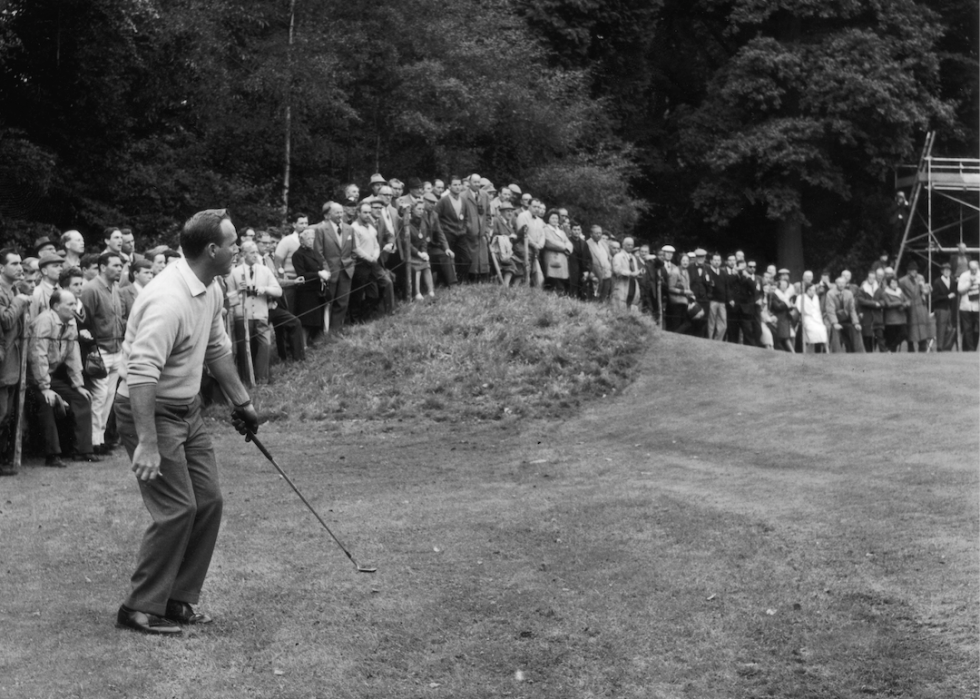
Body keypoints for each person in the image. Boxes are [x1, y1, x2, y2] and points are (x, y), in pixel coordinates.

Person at [114, 208, 258, 636]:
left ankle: (177, 599)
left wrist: (242, 400)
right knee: (177, 508)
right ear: (213, 249)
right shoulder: (168, 298)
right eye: (233, 243)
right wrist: (147, 442)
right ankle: (138, 607)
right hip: (149, 411)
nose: (239, 249)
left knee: (208, 501)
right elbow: (140, 373)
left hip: (186, 410)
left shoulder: (211, 286)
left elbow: (216, 348)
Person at [28, 289, 96, 466]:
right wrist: (44, 387)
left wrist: (78, 384)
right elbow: (37, 356)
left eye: (75, 303)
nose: (74, 308)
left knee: (82, 398)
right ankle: (52, 454)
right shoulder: (45, 321)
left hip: (50, 376)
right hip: (34, 378)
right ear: (57, 306)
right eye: (70, 304)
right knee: (47, 401)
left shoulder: (71, 322)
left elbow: (73, 357)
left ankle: (83, 450)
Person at [80, 251, 126, 454]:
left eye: (120, 265)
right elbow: (84, 322)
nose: (119, 269)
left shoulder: (115, 288)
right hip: (101, 351)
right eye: (115, 265)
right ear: (102, 267)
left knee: (108, 397)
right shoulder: (90, 289)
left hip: (117, 349)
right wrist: (93, 350)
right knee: (98, 396)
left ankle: (99, 439)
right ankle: (92, 441)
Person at [228, 240, 283, 381]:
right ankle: (247, 379)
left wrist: (264, 289)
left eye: (256, 252)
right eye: (252, 253)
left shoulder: (264, 270)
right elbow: (228, 298)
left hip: (261, 314)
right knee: (244, 348)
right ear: (244, 254)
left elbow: (278, 291)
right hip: (242, 315)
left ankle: (262, 378)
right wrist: (239, 291)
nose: (255, 255)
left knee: (265, 344)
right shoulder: (234, 273)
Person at [0, 249, 31, 475]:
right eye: (14, 263)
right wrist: (19, 302)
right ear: (1, 268)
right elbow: (6, 320)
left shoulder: (16, 289)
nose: (20, 267)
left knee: (7, 412)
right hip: (3, 361)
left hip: (13, 361)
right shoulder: (4, 292)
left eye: (21, 263)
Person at [313, 202, 356, 336]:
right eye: (336, 212)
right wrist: (326, 270)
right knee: (328, 303)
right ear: (329, 214)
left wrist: (351, 265)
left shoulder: (349, 229)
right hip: (330, 272)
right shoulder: (321, 229)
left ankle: (335, 331)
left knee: (342, 302)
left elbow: (353, 251)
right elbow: (318, 253)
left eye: (341, 212)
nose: (340, 215)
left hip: (346, 271)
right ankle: (323, 332)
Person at [350, 201, 394, 321]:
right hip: (361, 264)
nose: (367, 215)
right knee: (358, 294)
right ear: (358, 213)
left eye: (369, 212)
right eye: (365, 212)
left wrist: (375, 255)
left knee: (374, 294)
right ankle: (355, 320)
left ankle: (365, 317)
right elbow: (356, 248)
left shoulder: (370, 227)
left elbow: (376, 245)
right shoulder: (354, 227)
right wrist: (369, 258)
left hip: (373, 263)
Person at [434, 176, 470, 283]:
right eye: (455, 185)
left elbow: (466, 217)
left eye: (459, 185)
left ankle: (461, 280)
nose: (457, 187)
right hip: (448, 234)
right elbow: (435, 217)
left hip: (461, 234)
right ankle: (444, 282)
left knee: (467, 259)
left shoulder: (463, 200)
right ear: (449, 187)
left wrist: (464, 228)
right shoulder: (443, 201)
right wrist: (443, 228)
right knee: (447, 259)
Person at [898, 261, 931, 352]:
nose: (914, 272)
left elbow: (925, 292)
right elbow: (900, 293)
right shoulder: (902, 281)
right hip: (911, 307)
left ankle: (923, 347)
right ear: (908, 271)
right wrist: (905, 302)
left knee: (922, 328)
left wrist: (924, 288)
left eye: (915, 270)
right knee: (911, 329)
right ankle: (911, 348)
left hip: (920, 306)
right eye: (912, 270)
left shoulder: (921, 278)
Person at [406, 201, 436, 298]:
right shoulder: (407, 223)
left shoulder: (423, 222)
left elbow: (424, 240)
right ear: (412, 210)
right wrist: (418, 253)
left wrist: (424, 252)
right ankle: (417, 293)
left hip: (420, 252)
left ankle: (430, 291)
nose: (421, 211)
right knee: (417, 267)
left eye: (422, 209)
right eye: (418, 209)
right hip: (410, 253)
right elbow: (407, 244)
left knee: (426, 264)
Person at [823, 276, 862, 353]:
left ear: (846, 284)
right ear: (836, 283)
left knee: (856, 328)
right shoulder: (830, 293)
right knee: (835, 329)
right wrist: (835, 323)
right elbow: (830, 310)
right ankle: (836, 352)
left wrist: (856, 322)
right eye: (839, 283)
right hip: (831, 319)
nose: (841, 285)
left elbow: (852, 310)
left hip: (845, 318)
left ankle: (859, 352)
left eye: (843, 283)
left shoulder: (849, 293)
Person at [542, 210, 572, 294]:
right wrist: (564, 247)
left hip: (562, 258)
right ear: (548, 219)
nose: (555, 220)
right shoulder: (546, 229)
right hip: (552, 257)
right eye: (553, 218)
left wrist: (568, 249)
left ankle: (560, 295)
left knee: (561, 280)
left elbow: (569, 243)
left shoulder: (561, 231)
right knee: (552, 278)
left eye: (556, 218)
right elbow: (550, 242)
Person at [30, 251, 65, 319]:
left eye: (61, 266)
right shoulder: (36, 294)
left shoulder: (64, 292)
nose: (60, 269)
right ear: (44, 271)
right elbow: (32, 322)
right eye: (55, 266)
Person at [119, 259, 154, 325]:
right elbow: (121, 318)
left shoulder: (154, 292)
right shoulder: (124, 292)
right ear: (136, 274)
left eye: (151, 273)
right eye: (146, 273)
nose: (150, 276)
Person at [611, 237, 642, 313]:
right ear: (623, 245)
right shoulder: (618, 256)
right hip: (622, 285)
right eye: (628, 245)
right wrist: (630, 274)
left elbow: (635, 272)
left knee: (631, 306)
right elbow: (617, 270)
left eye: (632, 245)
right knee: (619, 308)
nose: (630, 247)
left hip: (632, 286)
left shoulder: (633, 258)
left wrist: (638, 273)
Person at [931, 262, 957, 351]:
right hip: (940, 308)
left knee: (950, 329)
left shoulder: (952, 281)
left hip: (950, 308)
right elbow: (934, 297)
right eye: (945, 270)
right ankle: (939, 347)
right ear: (942, 271)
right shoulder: (937, 282)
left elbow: (954, 294)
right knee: (941, 329)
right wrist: (947, 297)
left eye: (948, 270)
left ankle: (946, 346)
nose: (947, 272)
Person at [856, 269, 883, 352]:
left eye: (873, 278)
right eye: (870, 278)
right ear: (867, 278)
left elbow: (883, 300)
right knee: (867, 336)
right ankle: (868, 353)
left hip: (876, 316)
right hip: (866, 315)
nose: (871, 280)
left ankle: (883, 353)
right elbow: (861, 300)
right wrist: (874, 304)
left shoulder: (878, 289)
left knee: (879, 335)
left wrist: (880, 304)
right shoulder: (862, 289)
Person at [666, 253, 694, 332]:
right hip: (676, 302)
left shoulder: (686, 271)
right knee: (677, 323)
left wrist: (691, 295)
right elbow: (670, 288)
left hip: (684, 302)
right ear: (680, 261)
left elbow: (687, 286)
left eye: (687, 261)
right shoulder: (675, 272)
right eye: (683, 260)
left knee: (685, 323)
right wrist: (684, 291)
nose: (685, 262)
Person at [881, 277, 911, 352]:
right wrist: (900, 303)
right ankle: (891, 351)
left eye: (895, 283)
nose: (894, 285)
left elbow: (907, 300)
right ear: (889, 284)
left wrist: (905, 305)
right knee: (892, 338)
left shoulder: (900, 291)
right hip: (891, 320)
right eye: (892, 283)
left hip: (901, 318)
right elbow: (888, 304)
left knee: (904, 334)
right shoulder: (885, 293)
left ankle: (890, 348)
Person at [796, 283, 828, 352]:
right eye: (810, 290)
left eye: (813, 290)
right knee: (813, 330)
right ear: (806, 290)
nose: (812, 292)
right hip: (807, 318)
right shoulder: (801, 297)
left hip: (817, 319)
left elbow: (818, 310)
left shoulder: (816, 297)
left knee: (822, 329)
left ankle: (823, 351)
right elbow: (799, 309)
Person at [957, 260, 980, 351]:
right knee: (967, 329)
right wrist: (969, 283)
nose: (974, 271)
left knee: (977, 329)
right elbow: (960, 290)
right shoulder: (964, 275)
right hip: (965, 306)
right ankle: (970, 349)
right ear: (969, 268)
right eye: (972, 269)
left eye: (975, 269)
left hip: (977, 307)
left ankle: (974, 347)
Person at [769, 273, 795, 352]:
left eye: (786, 285)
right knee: (783, 337)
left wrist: (790, 306)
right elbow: (777, 307)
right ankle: (793, 353)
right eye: (782, 285)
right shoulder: (775, 294)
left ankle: (791, 352)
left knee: (788, 336)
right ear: (779, 285)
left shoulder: (786, 295)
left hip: (785, 318)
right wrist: (786, 303)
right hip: (779, 318)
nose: (784, 286)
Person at [586, 225, 612, 302]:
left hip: (606, 274)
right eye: (596, 233)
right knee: (595, 297)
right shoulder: (587, 244)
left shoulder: (603, 243)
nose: (599, 235)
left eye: (600, 233)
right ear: (591, 234)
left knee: (603, 296)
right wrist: (591, 274)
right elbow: (586, 260)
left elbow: (608, 257)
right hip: (595, 274)